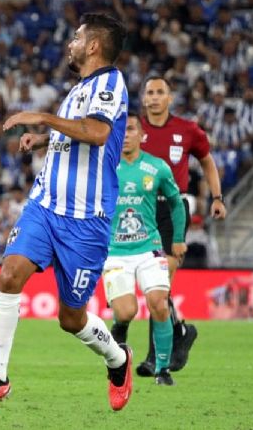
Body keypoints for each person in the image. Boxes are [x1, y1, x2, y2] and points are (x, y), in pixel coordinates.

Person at [0, 13, 132, 414]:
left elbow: (97, 133)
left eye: (77, 37)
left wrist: (41, 116)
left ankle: (118, 360)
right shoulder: (79, 89)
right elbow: (75, 133)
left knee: (71, 319)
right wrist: (43, 139)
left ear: (94, 46)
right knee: (9, 276)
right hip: (45, 207)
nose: (71, 43)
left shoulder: (111, 82)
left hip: (85, 221)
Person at [137, 75, 228, 377]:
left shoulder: (188, 130)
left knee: (158, 284)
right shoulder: (132, 130)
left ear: (170, 98)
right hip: (140, 210)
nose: (153, 97)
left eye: (159, 92)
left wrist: (217, 197)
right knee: (154, 288)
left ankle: (153, 358)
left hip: (174, 210)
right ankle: (181, 330)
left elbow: (208, 162)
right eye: (149, 92)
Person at [105, 112, 186, 386]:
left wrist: (176, 239)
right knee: (126, 311)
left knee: (159, 305)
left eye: (130, 130)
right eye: (121, 130)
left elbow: (176, 202)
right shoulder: (104, 165)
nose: (125, 135)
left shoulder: (157, 168)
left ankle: (162, 370)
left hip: (149, 248)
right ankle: (120, 328)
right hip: (115, 250)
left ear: (141, 135)